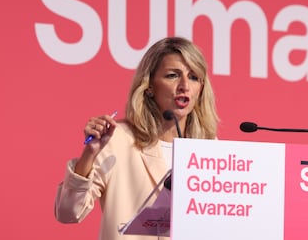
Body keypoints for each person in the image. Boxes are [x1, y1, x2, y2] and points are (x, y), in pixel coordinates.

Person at [54, 37, 220, 240]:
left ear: (201, 89)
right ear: (149, 85)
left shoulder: (210, 149)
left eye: (194, 77)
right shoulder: (118, 139)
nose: (184, 85)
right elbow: (68, 213)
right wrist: (89, 154)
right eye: (172, 76)